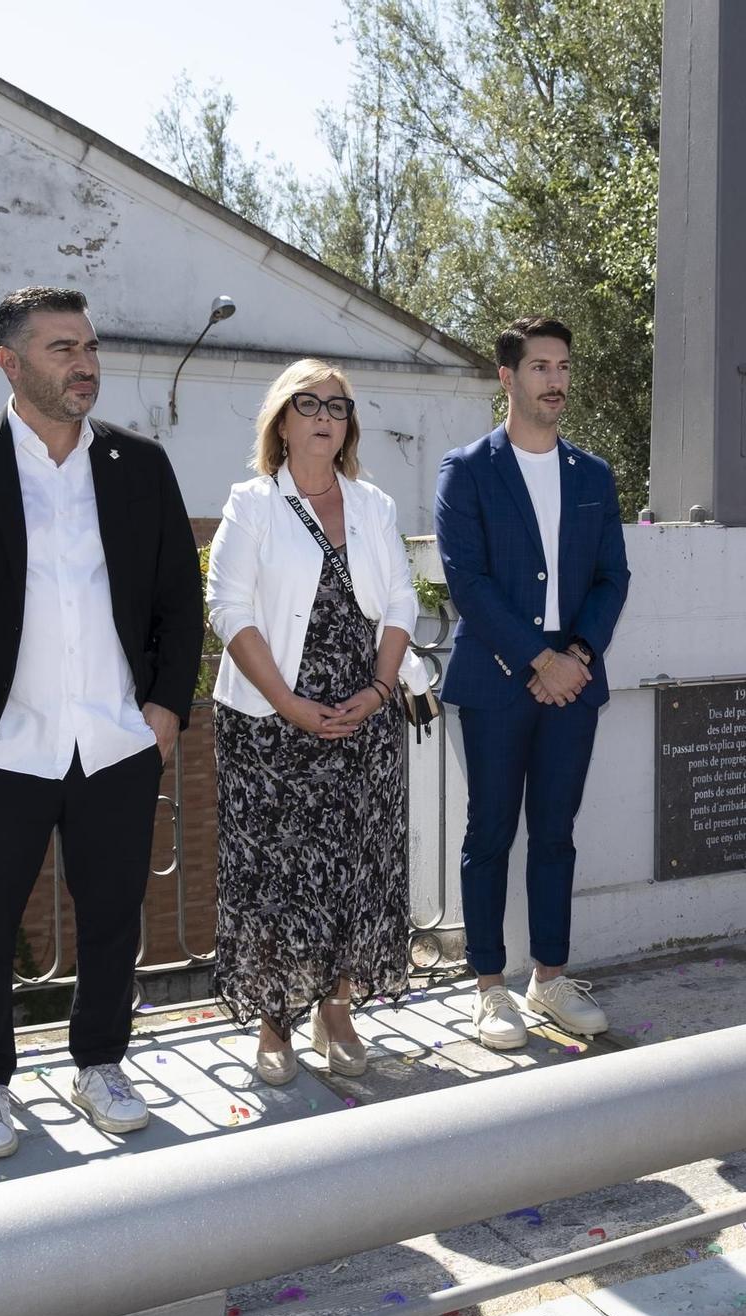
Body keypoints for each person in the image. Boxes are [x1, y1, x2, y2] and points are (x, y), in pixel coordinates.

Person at [0, 287, 203, 1160]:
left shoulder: (140, 464)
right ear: (9, 362)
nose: (85, 361)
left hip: (114, 741)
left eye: (90, 344)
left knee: (112, 919)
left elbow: (180, 596)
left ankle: (101, 1062)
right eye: (62, 347)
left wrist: (167, 705)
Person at [204, 359, 423, 1083]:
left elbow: (400, 603)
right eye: (309, 403)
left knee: (354, 866)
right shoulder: (253, 503)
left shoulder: (373, 504)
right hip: (270, 723)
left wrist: (383, 687)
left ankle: (336, 1007)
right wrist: (289, 703)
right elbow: (228, 609)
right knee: (278, 871)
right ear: (282, 420)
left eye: (338, 405)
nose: (326, 415)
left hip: (363, 715)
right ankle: (274, 1023)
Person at [435, 316, 631, 1049]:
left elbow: (613, 575)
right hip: (495, 680)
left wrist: (574, 653)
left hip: (574, 679)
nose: (556, 380)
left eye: (564, 366)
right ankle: (489, 988)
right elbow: (469, 580)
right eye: (541, 366)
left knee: (555, 833)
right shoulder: (468, 470)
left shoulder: (594, 474)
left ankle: (549, 977)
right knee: (489, 832)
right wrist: (535, 659)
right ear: (507, 376)